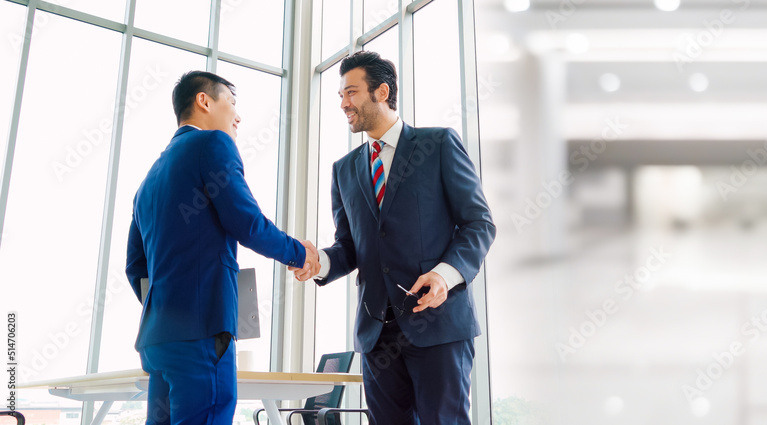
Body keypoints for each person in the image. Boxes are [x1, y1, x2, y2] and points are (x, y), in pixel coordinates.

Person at [291, 51, 495, 424]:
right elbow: (351, 246)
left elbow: (479, 223)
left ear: (381, 91)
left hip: (436, 322)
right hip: (376, 334)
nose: (343, 104)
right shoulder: (344, 170)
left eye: (350, 92)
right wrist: (320, 261)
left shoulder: (438, 145)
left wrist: (445, 275)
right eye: (339, 96)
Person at [126, 70, 321, 425]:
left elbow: (135, 268)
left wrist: (172, 307)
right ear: (204, 101)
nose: (238, 116)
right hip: (202, 333)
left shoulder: (149, 180)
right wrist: (299, 252)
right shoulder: (211, 144)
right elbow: (245, 221)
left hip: (159, 342)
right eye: (231, 103)